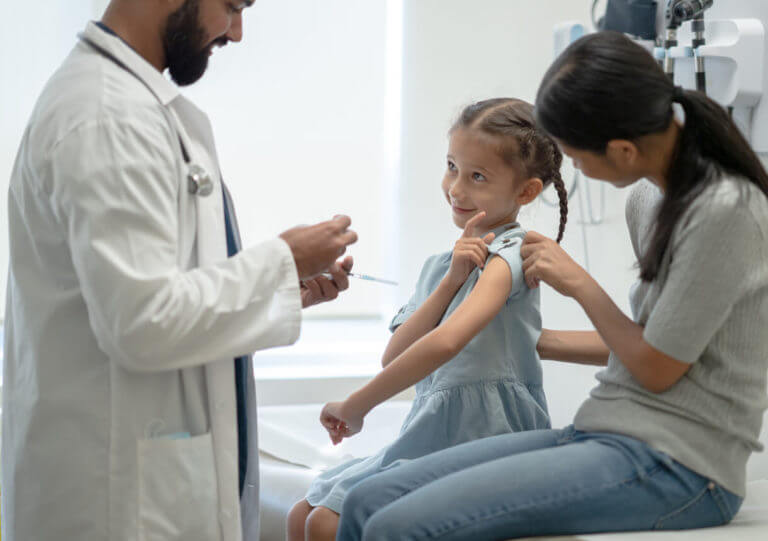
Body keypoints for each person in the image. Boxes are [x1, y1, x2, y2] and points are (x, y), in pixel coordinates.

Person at [334, 32, 768, 541]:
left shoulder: (726, 213)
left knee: (394, 527)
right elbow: (651, 341)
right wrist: (527, 340)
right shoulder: (649, 200)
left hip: (681, 466)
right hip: (609, 429)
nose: (572, 167)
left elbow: (656, 367)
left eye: (576, 155)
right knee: (367, 500)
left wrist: (579, 282)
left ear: (623, 150)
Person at [1, 1, 358, 540]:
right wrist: (279, 262)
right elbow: (141, 322)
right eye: (232, 6)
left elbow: (156, 292)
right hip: (114, 503)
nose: (236, 33)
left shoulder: (135, 106)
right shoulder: (108, 116)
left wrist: (281, 288)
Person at [286, 98, 569, 541]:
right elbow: (394, 354)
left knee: (325, 522)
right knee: (302, 511)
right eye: (452, 166)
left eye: (477, 176)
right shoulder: (443, 265)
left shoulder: (513, 254)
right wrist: (450, 281)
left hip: (488, 435)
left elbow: (446, 344)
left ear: (526, 192)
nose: (456, 188)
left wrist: (356, 405)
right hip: (435, 429)